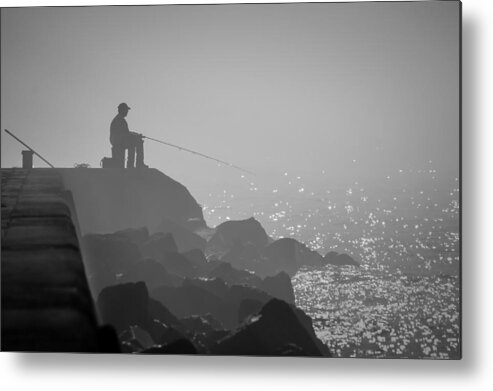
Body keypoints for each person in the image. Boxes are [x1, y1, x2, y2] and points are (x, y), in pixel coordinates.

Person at [110, 103, 147, 168]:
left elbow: (126, 133)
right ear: (122, 110)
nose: (127, 112)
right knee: (138, 142)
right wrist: (137, 136)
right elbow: (126, 134)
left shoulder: (118, 119)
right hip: (118, 141)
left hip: (117, 140)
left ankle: (131, 164)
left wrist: (136, 135)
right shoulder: (120, 120)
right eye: (126, 110)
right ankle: (139, 164)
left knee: (133, 141)